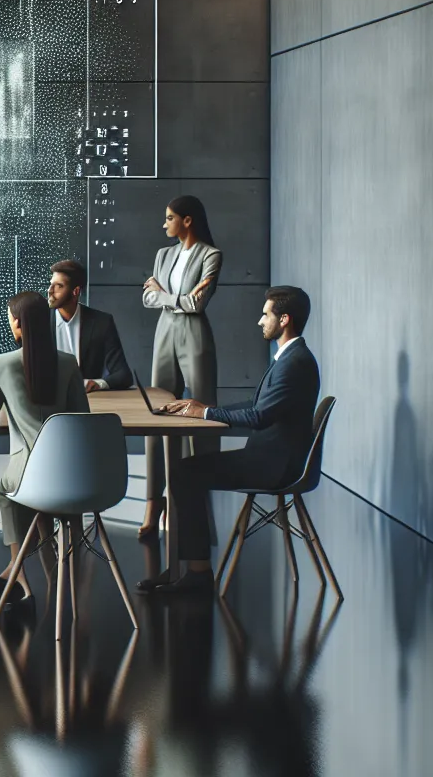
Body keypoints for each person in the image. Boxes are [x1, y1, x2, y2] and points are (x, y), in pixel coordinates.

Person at [141, 286, 320, 594]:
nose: (260, 321)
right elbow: (257, 406)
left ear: (285, 319)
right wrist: (198, 408)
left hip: (274, 467)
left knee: (184, 472)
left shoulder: (294, 364)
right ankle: (183, 567)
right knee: (186, 470)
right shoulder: (291, 358)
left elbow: (258, 418)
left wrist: (205, 412)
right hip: (271, 458)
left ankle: (196, 573)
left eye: (266, 315)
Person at [0, 292, 91, 615]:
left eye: (11, 319)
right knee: (43, 500)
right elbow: (83, 419)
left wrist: (8, 412)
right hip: (72, 475)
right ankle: (38, 577)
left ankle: (19, 576)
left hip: (29, 473)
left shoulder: (1, 364)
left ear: (19, 325)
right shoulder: (68, 363)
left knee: (6, 491)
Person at [139, 194, 222, 540]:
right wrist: (171, 298)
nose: (165, 223)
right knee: (157, 415)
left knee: (201, 415)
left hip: (194, 337)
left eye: (170, 217)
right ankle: (153, 502)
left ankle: (198, 500)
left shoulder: (211, 255)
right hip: (164, 336)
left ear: (187, 220)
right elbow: (147, 298)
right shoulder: (164, 254)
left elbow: (197, 303)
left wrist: (164, 294)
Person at [46, 259, 132, 391]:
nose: (50, 290)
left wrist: (96, 384)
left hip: (88, 401)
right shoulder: (40, 321)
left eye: (59, 286)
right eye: (51, 284)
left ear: (75, 292)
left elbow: (123, 375)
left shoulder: (101, 322)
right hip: (49, 399)